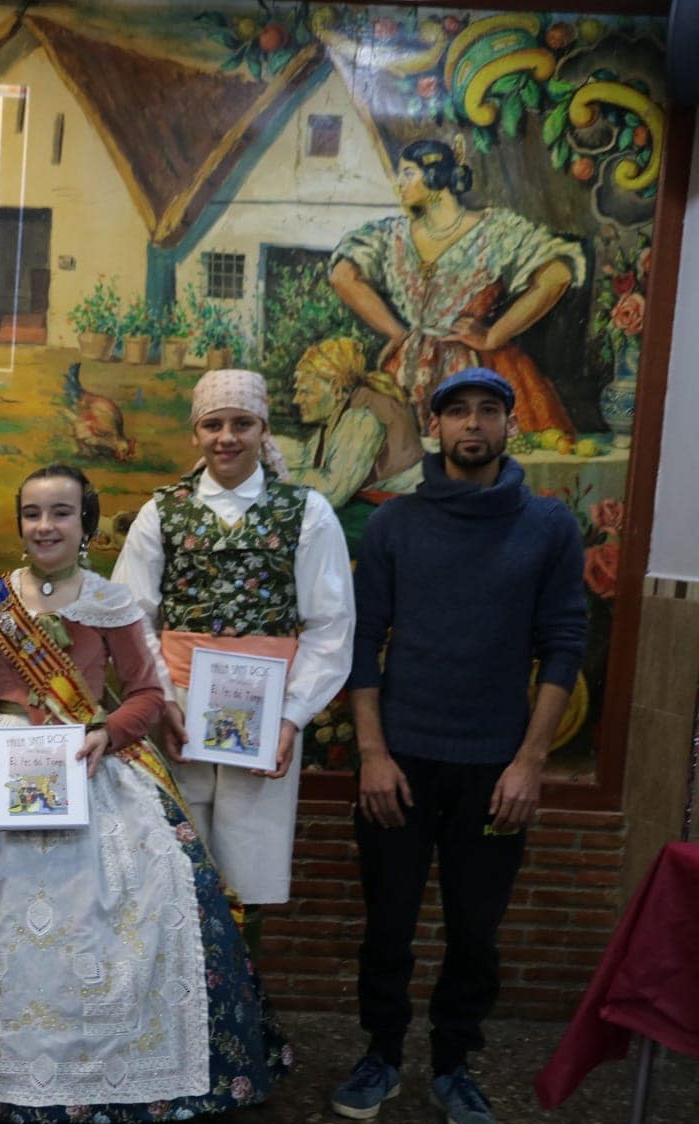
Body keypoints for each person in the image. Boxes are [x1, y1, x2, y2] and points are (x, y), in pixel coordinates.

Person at [0, 464, 288, 1123]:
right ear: (19, 523)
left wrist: (110, 734)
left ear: (86, 524)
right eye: (32, 513)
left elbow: (145, 692)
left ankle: (112, 1079)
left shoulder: (110, 603)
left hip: (92, 766)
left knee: (130, 904)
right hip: (1, 767)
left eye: (61, 513)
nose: (45, 525)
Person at [331, 367, 586, 1124]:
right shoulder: (395, 526)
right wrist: (372, 755)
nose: (472, 425)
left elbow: (564, 647)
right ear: (435, 428)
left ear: (511, 425)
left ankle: (453, 1066)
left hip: (494, 769)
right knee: (389, 926)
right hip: (399, 763)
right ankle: (381, 1054)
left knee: (476, 930)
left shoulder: (549, 526)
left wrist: (530, 763)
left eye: (488, 411)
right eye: (457, 413)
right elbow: (362, 646)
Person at [111, 370, 354, 946]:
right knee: (175, 863)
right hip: (179, 706)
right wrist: (161, 701)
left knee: (248, 870)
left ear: (263, 429)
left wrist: (292, 715)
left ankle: (242, 1021)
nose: (227, 437)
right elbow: (130, 617)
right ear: (196, 433)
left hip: (263, 713)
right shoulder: (162, 512)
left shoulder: (307, 512)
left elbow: (330, 624)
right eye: (213, 424)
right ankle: (182, 1020)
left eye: (241, 424)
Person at [330, 139, 585, 437]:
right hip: (408, 372)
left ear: (437, 177)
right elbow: (342, 276)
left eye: (408, 174)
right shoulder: (391, 235)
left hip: (475, 371)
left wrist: (492, 336)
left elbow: (557, 276)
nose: (400, 184)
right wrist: (397, 332)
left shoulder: (494, 231)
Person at [277, 337, 424, 555]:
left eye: (306, 391)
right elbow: (307, 455)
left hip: (402, 513)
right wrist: (260, 450)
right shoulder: (343, 409)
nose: (298, 400)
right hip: (378, 504)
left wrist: (277, 477)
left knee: (300, 529)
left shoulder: (362, 418)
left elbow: (333, 491)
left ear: (336, 388)